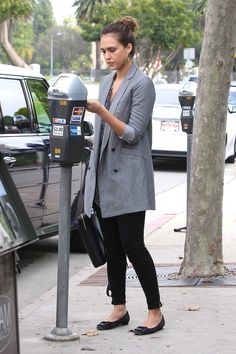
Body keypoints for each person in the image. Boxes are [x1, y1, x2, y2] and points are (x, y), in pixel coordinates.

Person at [84, 16, 164, 336]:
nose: (107, 56)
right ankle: (119, 307)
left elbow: (132, 133)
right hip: (103, 177)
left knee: (133, 245)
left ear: (129, 48)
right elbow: (102, 134)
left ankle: (155, 311)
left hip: (129, 177)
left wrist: (102, 112)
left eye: (113, 49)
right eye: (103, 51)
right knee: (113, 249)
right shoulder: (106, 82)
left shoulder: (142, 84)